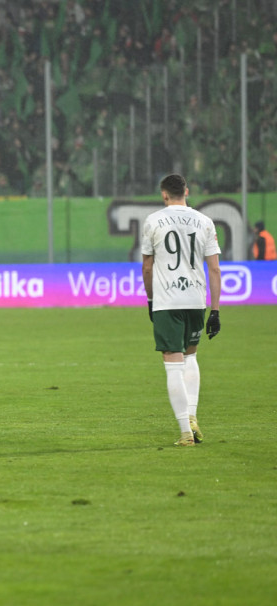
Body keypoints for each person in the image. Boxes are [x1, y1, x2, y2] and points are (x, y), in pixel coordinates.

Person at [141, 174, 222, 447]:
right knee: (190, 358)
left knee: (172, 365)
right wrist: (216, 310)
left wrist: (151, 300)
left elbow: (148, 267)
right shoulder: (205, 221)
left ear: (164, 194)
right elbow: (214, 268)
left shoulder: (153, 221)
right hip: (196, 300)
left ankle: (186, 432)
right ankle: (192, 416)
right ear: (186, 191)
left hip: (168, 301)